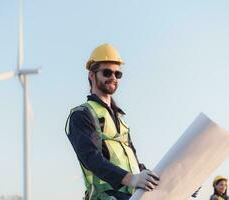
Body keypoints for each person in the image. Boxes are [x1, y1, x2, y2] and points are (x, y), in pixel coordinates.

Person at [65, 43, 160, 200]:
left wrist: (169, 182)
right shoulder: (82, 115)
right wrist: (132, 179)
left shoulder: (120, 120)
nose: (113, 78)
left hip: (132, 196)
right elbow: (92, 159)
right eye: (107, 72)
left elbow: (135, 165)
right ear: (91, 75)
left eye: (118, 74)